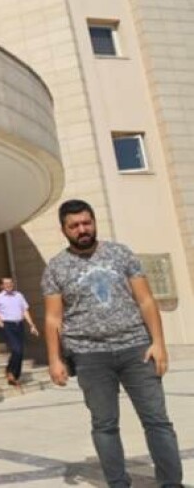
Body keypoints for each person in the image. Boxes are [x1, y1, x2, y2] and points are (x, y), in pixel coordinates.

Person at [43, 199, 183, 487]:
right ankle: (118, 483)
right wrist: (55, 359)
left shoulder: (121, 254)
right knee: (104, 425)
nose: (82, 229)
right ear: (64, 230)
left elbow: (145, 300)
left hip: (136, 348)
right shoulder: (55, 268)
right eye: (74, 226)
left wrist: (158, 343)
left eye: (86, 222)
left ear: (94, 222)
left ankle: (171, 483)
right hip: (89, 355)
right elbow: (53, 318)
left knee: (157, 420)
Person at [0, 277, 39, 386]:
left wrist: (32, 325)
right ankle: (10, 372)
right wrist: (1, 324)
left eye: (10, 283)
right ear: (1, 286)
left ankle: (15, 376)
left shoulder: (19, 295)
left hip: (19, 325)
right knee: (16, 349)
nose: (8, 285)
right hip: (7, 325)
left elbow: (25, 311)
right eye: (6, 283)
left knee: (20, 351)